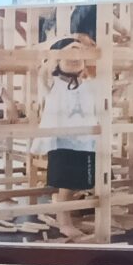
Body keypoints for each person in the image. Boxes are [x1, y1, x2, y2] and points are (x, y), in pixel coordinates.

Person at [38, 38, 99, 241]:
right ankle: (64, 222)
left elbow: (104, 97)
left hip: (85, 140)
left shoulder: (88, 85)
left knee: (80, 180)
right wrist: (54, 57)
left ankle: (66, 209)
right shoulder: (52, 83)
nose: (75, 57)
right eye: (70, 54)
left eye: (79, 55)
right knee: (65, 182)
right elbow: (44, 72)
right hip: (62, 140)